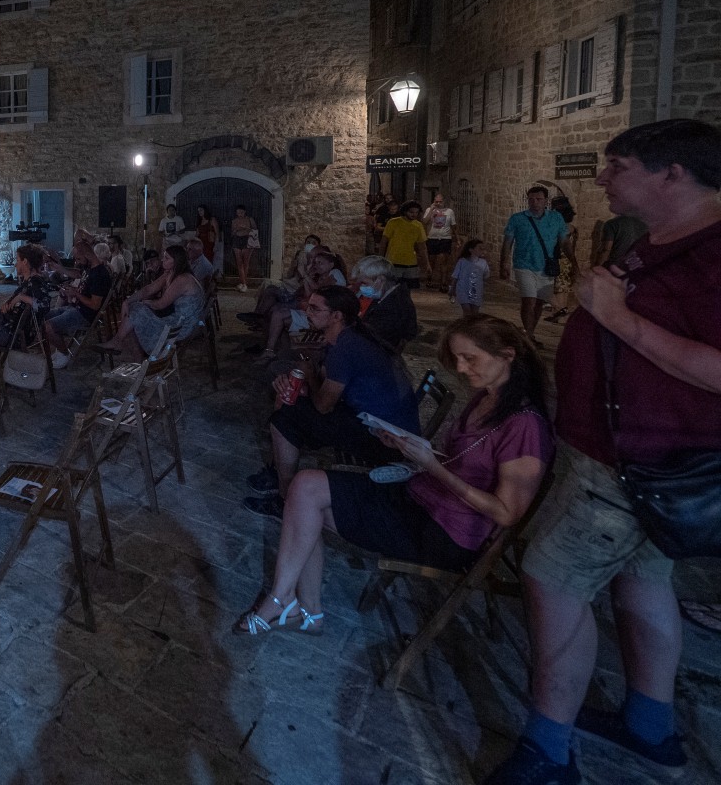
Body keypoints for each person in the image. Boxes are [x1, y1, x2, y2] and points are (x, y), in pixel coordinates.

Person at [485, 120, 721, 784]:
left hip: (633, 463)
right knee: (644, 581)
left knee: (552, 580)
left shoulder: (712, 255)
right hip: (632, 459)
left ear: (672, 173)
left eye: (618, 166)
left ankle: (547, 751)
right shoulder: (663, 241)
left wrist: (618, 319)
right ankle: (650, 724)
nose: (602, 178)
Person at [235, 314, 553, 637]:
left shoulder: (525, 425)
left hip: (444, 532)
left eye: (469, 358)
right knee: (303, 487)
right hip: (419, 497)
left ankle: (288, 604)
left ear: (507, 356)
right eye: (457, 358)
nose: (460, 367)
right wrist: (409, 446)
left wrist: (432, 466)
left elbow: (506, 512)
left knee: (305, 503)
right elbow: (463, 462)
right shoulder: (486, 399)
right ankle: (296, 606)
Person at [244, 285, 418, 520]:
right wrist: (301, 379)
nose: (307, 312)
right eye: (309, 307)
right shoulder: (346, 337)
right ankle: (277, 473)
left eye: (315, 309)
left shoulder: (347, 347)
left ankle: (285, 503)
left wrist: (308, 375)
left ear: (337, 316)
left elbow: (323, 406)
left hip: (385, 439)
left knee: (283, 418)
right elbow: (323, 384)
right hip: (375, 422)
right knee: (289, 401)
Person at [100, 245, 205, 360]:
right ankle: (124, 346)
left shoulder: (183, 279)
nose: (162, 260)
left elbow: (161, 304)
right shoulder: (171, 273)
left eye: (166, 258)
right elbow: (148, 290)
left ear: (176, 261)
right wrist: (127, 301)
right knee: (134, 312)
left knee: (136, 312)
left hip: (182, 326)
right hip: (177, 319)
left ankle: (127, 349)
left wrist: (145, 303)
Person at [251, 246, 347, 364]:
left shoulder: (335, 273)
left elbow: (319, 290)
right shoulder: (320, 276)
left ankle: (273, 352)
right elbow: (309, 295)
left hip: (324, 317)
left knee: (278, 314)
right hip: (315, 312)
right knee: (276, 313)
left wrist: (305, 275)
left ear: (331, 265)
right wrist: (307, 277)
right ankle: (271, 351)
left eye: (320, 263)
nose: (316, 265)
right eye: (315, 263)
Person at [500, 186, 571, 339]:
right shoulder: (517, 219)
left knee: (539, 302)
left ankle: (530, 333)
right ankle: (529, 336)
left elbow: (564, 241)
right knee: (529, 300)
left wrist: (574, 262)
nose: (535, 203)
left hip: (546, 266)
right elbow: (508, 242)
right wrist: (504, 262)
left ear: (546, 201)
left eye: (539, 199)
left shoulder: (556, 218)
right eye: (531, 199)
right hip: (523, 264)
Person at [44, 239, 112, 364]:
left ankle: (64, 354)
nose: (77, 262)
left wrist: (76, 294)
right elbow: (77, 274)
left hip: (85, 315)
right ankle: (60, 350)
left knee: (47, 327)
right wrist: (71, 290)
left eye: (79, 259)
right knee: (43, 316)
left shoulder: (99, 275)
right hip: (76, 308)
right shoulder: (90, 268)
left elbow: (95, 305)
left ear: (87, 255)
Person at [350, 255, 418, 352]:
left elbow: (371, 337)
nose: (361, 288)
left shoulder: (394, 306)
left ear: (380, 280)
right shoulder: (387, 296)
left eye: (365, 283)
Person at [1, 243, 53, 345]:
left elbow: (44, 306)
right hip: (11, 329)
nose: (15, 264)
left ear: (25, 261)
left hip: (14, 335)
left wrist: (21, 297)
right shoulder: (28, 281)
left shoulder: (35, 282)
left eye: (17, 260)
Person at [544, 196, 580, 323]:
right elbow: (573, 247)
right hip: (566, 261)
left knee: (557, 287)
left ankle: (561, 312)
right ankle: (557, 313)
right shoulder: (572, 228)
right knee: (562, 287)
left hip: (558, 259)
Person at [382, 200, 430, 290]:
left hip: (411, 263)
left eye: (416, 212)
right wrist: (381, 258)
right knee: (392, 289)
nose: (414, 215)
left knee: (408, 290)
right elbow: (384, 242)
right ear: (405, 211)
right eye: (411, 212)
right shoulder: (393, 222)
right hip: (394, 261)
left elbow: (422, 247)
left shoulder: (418, 225)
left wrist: (427, 263)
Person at [424, 193, 458, 292]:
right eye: (436, 201)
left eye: (440, 201)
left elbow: (453, 226)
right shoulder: (429, 210)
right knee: (432, 260)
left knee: (444, 261)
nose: (438, 203)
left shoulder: (449, 211)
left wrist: (457, 238)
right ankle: (429, 279)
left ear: (444, 201)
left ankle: (443, 283)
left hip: (445, 238)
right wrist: (431, 210)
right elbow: (425, 221)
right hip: (432, 238)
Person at [450, 238, 489, 316]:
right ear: (471, 250)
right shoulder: (462, 262)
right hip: (463, 289)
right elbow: (455, 276)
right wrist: (452, 289)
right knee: (466, 310)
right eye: (479, 248)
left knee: (475, 313)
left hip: (476, 291)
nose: (482, 251)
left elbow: (485, 276)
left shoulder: (483, 263)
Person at [231, 204, 259, 289]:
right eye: (238, 213)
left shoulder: (249, 219)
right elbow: (232, 233)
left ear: (245, 212)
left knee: (245, 263)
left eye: (241, 212)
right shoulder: (234, 221)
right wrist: (237, 229)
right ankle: (242, 282)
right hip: (237, 240)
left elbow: (255, 230)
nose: (240, 214)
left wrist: (246, 228)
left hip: (247, 240)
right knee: (239, 263)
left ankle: (244, 283)